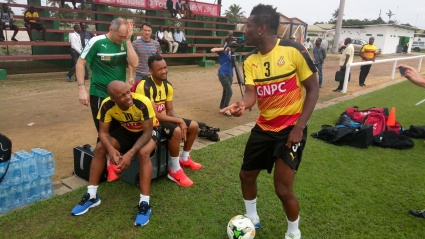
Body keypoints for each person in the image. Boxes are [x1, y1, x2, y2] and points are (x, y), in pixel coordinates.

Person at [219, 4, 319, 239]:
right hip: (264, 128)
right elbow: (251, 95)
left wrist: (299, 128)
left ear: (262, 28)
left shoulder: (294, 50)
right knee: (246, 175)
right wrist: (242, 105)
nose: (245, 30)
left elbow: (313, 90)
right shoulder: (250, 60)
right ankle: (252, 219)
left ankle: (294, 232)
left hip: (290, 130)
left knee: (283, 189)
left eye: (248, 26)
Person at [71, 80, 157, 227]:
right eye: (122, 96)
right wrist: (111, 150)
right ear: (113, 99)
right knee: (100, 148)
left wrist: (130, 153)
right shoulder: (106, 105)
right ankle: (92, 196)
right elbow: (103, 132)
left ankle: (145, 202)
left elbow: (148, 133)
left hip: (146, 133)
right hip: (127, 131)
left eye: (128, 92)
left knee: (142, 153)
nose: (128, 97)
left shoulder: (142, 102)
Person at [135, 55, 203, 187]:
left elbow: (170, 110)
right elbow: (155, 115)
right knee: (176, 131)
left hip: (160, 119)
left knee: (194, 126)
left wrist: (178, 121)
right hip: (148, 122)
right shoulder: (145, 86)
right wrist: (178, 122)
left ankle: (185, 158)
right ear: (151, 71)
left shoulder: (168, 86)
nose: (164, 71)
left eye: (165, 67)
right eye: (159, 69)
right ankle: (175, 170)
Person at [76, 18, 138, 133]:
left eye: (125, 36)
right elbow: (80, 63)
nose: (122, 39)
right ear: (111, 29)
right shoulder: (97, 42)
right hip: (100, 94)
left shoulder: (125, 42)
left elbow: (134, 63)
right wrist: (81, 88)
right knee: (104, 132)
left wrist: (128, 41)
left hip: (120, 96)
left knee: (122, 131)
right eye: (120, 36)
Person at [211, 46, 233, 115]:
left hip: (230, 74)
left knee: (226, 91)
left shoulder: (232, 52)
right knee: (229, 91)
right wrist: (224, 49)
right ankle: (226, 108)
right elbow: (212, 49)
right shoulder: (223, 51)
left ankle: (222, 107)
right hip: (223, 73)